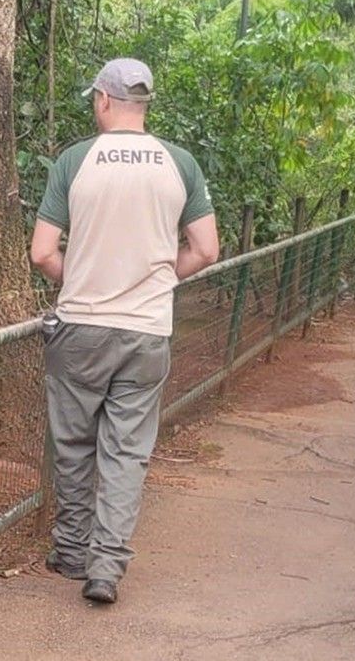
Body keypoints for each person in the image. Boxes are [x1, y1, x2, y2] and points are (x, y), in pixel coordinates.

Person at [30, 58, 219, 605]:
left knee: (73, 443)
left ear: (105, 101)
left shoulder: (74, 161)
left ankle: (69, 550)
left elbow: (43, 252)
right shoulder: (179, 164)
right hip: (146, 333)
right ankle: (106, 568)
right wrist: (158, 280)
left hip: (81, 328)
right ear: (144, 104)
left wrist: (83, 276)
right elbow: (206, 249)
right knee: (126, 451)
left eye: (94, 99)